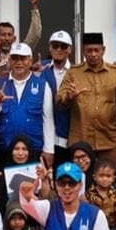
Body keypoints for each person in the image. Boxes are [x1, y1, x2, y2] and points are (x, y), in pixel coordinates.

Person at [57, 33, 116, 165]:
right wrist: (69, 97)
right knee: (79, 180)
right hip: (81, 140)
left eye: (97, 50)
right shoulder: (73, 73)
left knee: (108, 179)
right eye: (89, 50)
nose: (93, 54)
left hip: (110, 141)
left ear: (103, 50)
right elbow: (59, 101)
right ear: (83, 51)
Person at [0, 43, 56, 166]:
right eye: (15, 58)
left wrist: (49, 150)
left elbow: (48, 119)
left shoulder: (42, 85)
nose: (19, 62)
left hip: (33, 149)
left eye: (23, 58)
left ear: (30, 61)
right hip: (5, 148)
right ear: (9, 61)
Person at [40, 30, 74, 164]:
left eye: (63, 46)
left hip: (69, 135)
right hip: (45, 137)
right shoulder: (41, 70)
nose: (59, 49)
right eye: (55, 46)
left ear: (69, 49)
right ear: (50, 47)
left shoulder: (77, 71)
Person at [86, 159, 116, 230]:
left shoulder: (115, 194)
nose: (105, 179)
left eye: (108, 176)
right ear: (94, 177)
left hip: (111, 229)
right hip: (93, 228)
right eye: (101, 175)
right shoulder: (89, 193)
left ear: (113, 178)